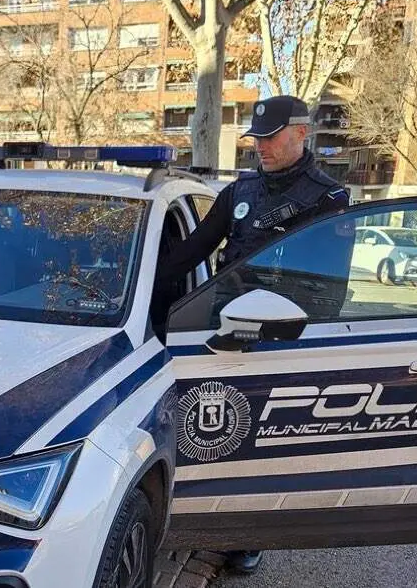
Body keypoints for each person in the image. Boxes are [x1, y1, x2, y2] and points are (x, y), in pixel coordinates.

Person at [151, 95, 350, 575]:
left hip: (281, 341)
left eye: (271, 137)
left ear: (301, 133)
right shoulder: (238, 194)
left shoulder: (329, 199)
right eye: (257, 138)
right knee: (213, 432)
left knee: (263, 445)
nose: (261, 147)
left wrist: (288, 331)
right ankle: (198, 516)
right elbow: (190, 252)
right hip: (221, 334)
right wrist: (138, 288)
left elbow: (330, 291)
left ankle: (247, 535)